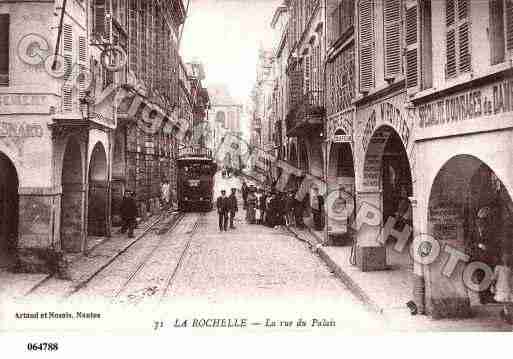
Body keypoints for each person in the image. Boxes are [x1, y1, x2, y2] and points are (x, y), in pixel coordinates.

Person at [492, 253, 513, 324]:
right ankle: (507, 316)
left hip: (508, 287)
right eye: (504, 258)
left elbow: (511, 279)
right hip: (501, 287)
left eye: (507, 258)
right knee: (505, 302)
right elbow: (494, 277)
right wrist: (492, 286)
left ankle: (505, 313)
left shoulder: (510, 269)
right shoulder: (498, 267)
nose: (506, 259)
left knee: (509, 302)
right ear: (502, 259)